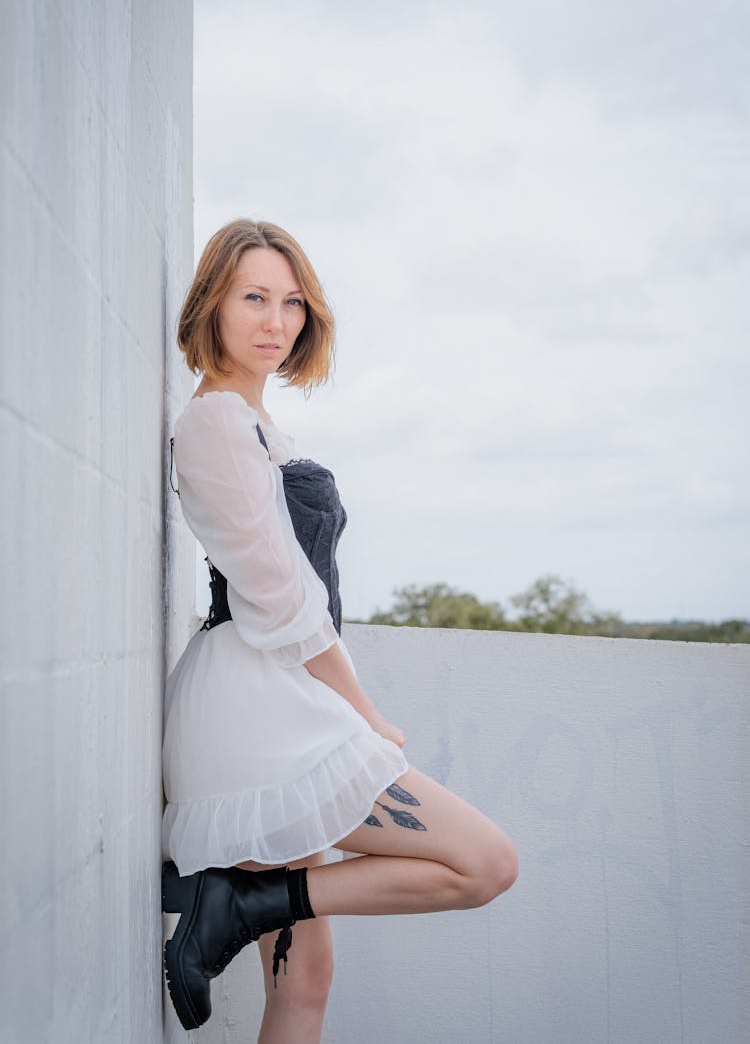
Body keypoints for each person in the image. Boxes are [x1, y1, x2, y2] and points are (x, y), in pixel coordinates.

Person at [162, 219, 518, 1041]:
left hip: (277, 706)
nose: (275, 320)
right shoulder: (216, 421)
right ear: (213, 301)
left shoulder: (252, 425)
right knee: (485, 859)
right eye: (253, 296)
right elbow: (282, 597)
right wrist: (364, 711)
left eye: (291, 302)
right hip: (258, 714)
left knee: (307, 979)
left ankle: (247, 902)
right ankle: (246, 900)